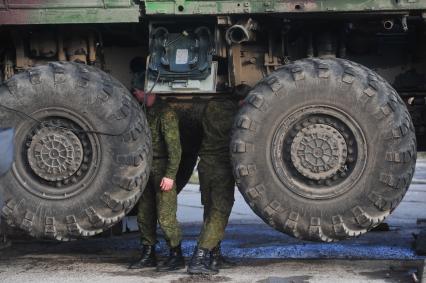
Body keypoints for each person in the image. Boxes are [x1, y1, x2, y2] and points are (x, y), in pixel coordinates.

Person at [129, 58, 184, 272]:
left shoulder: (166, 113)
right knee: (144, 213)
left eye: (137, 91)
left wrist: (170, 175)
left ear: (148, 90)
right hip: (145, 169)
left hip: (162, 169)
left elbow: (175, 149)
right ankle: (148, 253)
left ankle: (176, 254)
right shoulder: (142, 111)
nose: (134, 94)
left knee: (166, 215)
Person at [187, 94, 243, 275]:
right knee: (220, 212)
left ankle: (215, 256)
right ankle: (199, 257)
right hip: (221, 168)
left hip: (205, 166)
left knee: (210, 211)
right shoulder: (237, 113)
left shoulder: (209, 108)